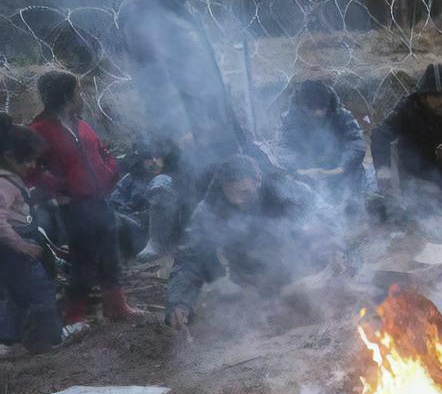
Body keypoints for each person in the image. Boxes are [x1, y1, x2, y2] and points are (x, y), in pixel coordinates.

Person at [117, 0, 251, 181]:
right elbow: (153, 74)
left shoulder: (174, 7)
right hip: (189, 136)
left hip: (210, 126)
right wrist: (181, 130)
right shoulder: (139, 7)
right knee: (203, 194)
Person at [29, 71, 143, 324]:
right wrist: (58, 189)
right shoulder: (38, 130)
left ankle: (116, 305)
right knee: (83, 259)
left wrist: (110, 172)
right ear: (66, 96)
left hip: (100, 199)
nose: (81, 96)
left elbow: (102, 153)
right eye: (78, 91)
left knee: (110, 252)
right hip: (74, 206)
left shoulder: (81, 124)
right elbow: (31, 169)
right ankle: (75, 314)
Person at [165, 155, 327, 329]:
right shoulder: (210, 209)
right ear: (223, 187)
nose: (237, 201)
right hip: (251, 284)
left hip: (300, 273)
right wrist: (179, 301)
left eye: (244, 192)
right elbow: (191, 258)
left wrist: (333, 248)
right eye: (231, 193)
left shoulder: (284, 189)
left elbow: (324, 214)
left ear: (258, 181)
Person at [0, 118, 72, 353]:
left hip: (15, 246)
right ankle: (47, 339)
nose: (32, 165)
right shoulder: (4, 184)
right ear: (10, 157)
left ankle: (8, 339)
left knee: (16, 296)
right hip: (15, 248)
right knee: (41, 290)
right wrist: (20, 244)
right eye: (28, 160)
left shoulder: (10, 180)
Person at [370, 64, 442, 205]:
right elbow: (380, 135)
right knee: (428, 197)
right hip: (412, 172)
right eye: (436, 96)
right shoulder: (407, 110)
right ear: (423, 98)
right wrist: (383, 169)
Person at [277, 79, 367, 205]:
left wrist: (340, 169)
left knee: (355, 175)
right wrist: (300, 171)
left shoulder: (342, 116)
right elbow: (283, 149)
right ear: (303, 107)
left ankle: (352, 206)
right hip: (306, 172)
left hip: (340, 169)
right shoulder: (290, 120)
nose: (318, 113)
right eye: (313, 109)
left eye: (322, 108)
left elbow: (356, 143)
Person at [110, 138, 183, 260]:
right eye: (149, 158)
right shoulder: (133, 176)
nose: (153, 161)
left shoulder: (166, 180)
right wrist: (124, 209)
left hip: (147, 230)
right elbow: (115, 198)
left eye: (157, 157)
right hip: (127, 223)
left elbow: (165, 212)